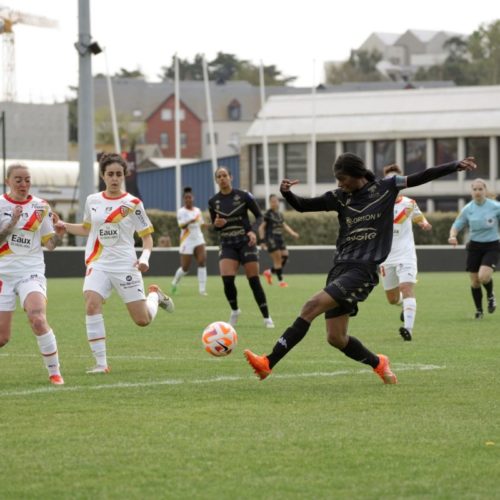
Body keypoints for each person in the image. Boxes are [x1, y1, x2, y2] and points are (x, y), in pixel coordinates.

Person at [244, 153, 477, 384]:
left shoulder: (386, 187)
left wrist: (454, 166)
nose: (339, 183)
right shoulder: (340, 197)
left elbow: (422, 176)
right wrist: (287, 193)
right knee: (336, 337)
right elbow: (304, 206)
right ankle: (379, 363)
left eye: (342, 178)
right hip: (339, 268)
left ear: (356, 175)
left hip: (362, 270)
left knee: (310, 306)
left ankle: (268, 362)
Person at [55, 153, 174, 374]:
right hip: (98, 263)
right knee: (91, 303)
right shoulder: (93, 200)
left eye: (119, 174)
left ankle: (154, 297)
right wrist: (63, 224)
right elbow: (86, 229)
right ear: (103, 175)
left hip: (125, 266)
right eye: (110, 174)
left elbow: (147, 238)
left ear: (124, 176)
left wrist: (144, 259)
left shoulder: (133, 204)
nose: (115, 178)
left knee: (142, 320)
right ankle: (101, 364)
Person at [0, 163, 64, 385]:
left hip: (31, 272)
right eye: (18, 179)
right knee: (2, 338)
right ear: (8, 181)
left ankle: (55, 372)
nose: (23, 184)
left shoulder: (41, 207)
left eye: (27, 180)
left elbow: (50, 244)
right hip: (3, 276)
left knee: (37, 317)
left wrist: (59, 235)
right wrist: (12, 223)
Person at [208, 166, 274, 328]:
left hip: (246, 242)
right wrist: (216, 224)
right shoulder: (213, 202)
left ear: (231, 177)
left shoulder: (244, 196)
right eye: (219, 176)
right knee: (227, 280)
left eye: (225, 175)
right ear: (216, 180)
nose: (222, 178)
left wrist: (252, 231)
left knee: (253, 280)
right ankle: (235, 310)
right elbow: (215, 226)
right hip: (227, 243)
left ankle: (266, 317)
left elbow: (260, 216)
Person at [379, 164, 432, 341]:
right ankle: (404, 306)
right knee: (392, 298)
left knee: (406, 287)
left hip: (406, 254)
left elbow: (418, 217)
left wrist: (423, 223)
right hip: (386, 257)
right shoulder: (377, 204)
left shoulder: (409, 203)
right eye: (388, 180)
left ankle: (408, 329)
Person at [448, 178, 500, 319]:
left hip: (492, 245)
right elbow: (456, 225)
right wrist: (452, 236)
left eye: (480, 189)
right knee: (475, 281)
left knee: (484, 277)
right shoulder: (467, 209)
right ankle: (479, 310)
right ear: (471, 192)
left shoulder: (496, 207)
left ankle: (490, 295)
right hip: (474, 246)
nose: (477, 192)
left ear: (485, 190)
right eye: (475, 189)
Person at [171, 187, 208, 296]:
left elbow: (200, 223)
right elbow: (181, 226)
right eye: (186, 198)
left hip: (198, 239)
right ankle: (175, 282)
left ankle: (202, 290)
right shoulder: (181, 211)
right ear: (184, 199)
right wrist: (190, 221)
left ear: (193, 198)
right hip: (186, 240)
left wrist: (206, 225)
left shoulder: (197, 210)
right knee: (185, 268)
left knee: (202, 261)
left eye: (190, 197)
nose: (188, 199)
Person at [259, 194, 299, 288]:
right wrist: (262, 241)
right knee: (277, 260)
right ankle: (281, 282)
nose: (275, 203)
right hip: (271, 239)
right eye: (272, 201)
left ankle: (269, 272)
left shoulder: (279, 214)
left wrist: (293, 233)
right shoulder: (268, 214)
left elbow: (284, 225)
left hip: (279, 238)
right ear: (270, 203)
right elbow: (261, 228)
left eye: (276, 201)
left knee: (285, 256)